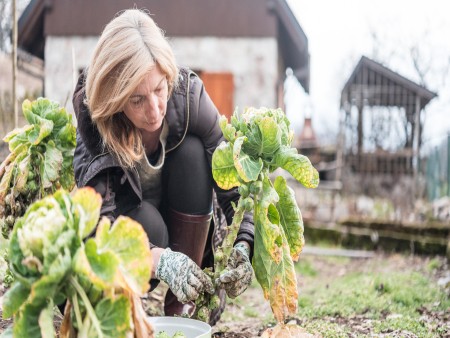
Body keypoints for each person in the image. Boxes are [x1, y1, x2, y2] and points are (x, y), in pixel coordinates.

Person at [72, 9, 254, 325]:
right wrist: (162, 261)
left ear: (167, 74)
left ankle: (188, 297)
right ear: (115, 100)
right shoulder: (96, 122)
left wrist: (243, 243)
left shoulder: (189, 96)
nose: (155, 109)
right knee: (149, 224)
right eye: (137, 100)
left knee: (195, 152)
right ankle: (130, 301)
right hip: (135, 223)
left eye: (158, 89)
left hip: (185, 207)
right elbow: (99, 227)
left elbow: (233, 179)